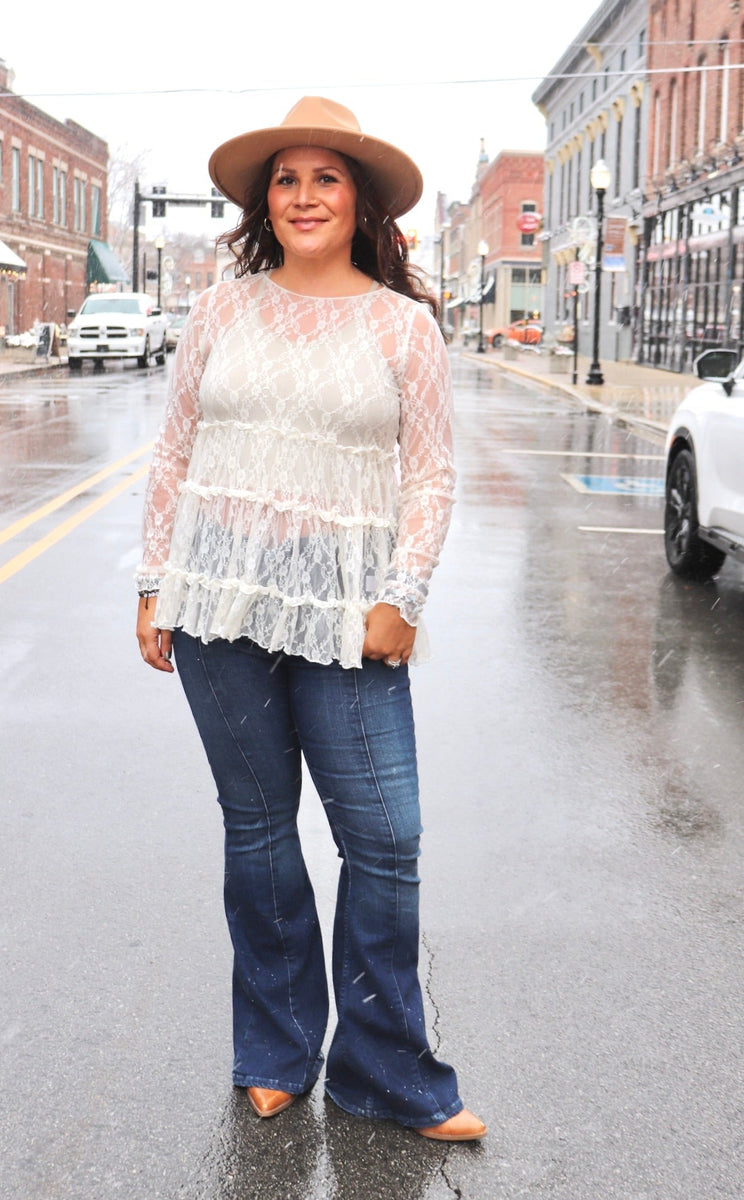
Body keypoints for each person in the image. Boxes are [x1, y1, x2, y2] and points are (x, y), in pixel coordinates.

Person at [136, 96, 486, 1142]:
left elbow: (427, 475)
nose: (302, 196)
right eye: (284, 179)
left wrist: (403, 595)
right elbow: (174, 451)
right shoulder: (219, 309)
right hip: (218, 594)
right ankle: (276, 1047)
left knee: (385, 837)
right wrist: (154, 582)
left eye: (324, 178)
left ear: (358, 200)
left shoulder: (400, 324)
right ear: (263, 202)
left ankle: (386, 1070)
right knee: (256, 829)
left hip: (346, 606)